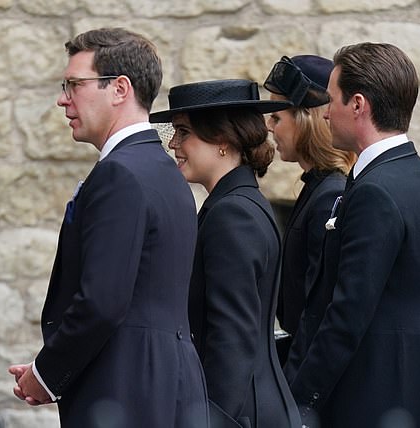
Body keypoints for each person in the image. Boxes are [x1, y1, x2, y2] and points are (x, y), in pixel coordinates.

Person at [8, 28, 209, 428]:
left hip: (124, 389)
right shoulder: (161, 170)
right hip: (166, 382)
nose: (63, 98)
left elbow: (102, 301)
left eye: (74, 85)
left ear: (119, 88)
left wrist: (46, 375)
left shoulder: (121, 173)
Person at [284, 42, 420, 428]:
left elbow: (346, 314)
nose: (325, 113)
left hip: (373, 393)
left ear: (358, 105)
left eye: (331, 100)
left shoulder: (374, 190)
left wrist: (298, 399)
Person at [150, 79, 301, 428]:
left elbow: (232, 336)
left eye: (183, 132)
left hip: (241, 412)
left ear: (222, 140)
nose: (173, 143)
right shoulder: (235, 203)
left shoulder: (232, 213)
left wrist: (211, 419)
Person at [263, 55, 356, 364]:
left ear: (305, 120)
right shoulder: (316, 187)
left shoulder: (330, 195)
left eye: (277, 117)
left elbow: (319, 311)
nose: (268, 126)